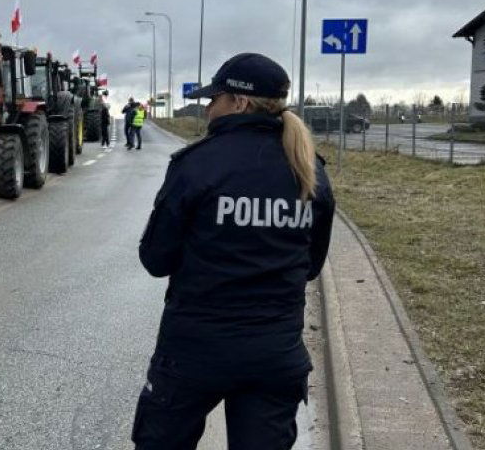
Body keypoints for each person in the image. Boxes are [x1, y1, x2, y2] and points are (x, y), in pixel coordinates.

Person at [132, 53, 335, 450]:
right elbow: (311, 265)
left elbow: (155, 260)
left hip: (193, 352)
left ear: (238, 103)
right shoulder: (310, 169)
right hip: (275, 355)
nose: (207, 107)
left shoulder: (198, 164)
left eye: (215, 98)